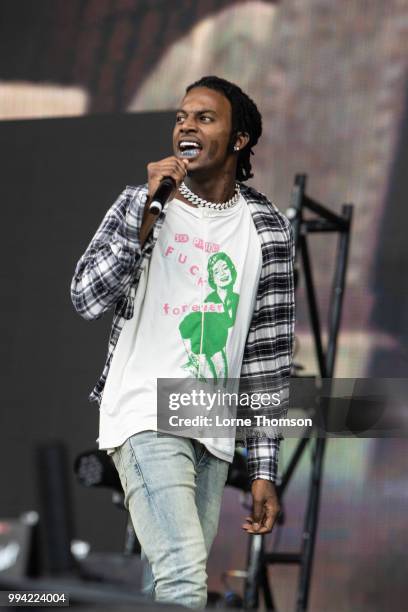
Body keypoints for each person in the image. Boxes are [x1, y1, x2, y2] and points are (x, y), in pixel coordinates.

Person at [70, 75, 295, 609]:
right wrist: (145, 214)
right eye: (180, 117)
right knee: (184, 578)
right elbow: (85, 297)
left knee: (166, 586)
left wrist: (263, 467)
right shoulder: (141, 204)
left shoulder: (266, 229)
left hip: (211, 428)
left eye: (204, 118)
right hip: (144, 411)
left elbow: (268, 358)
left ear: (239, 140)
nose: (186, 127)